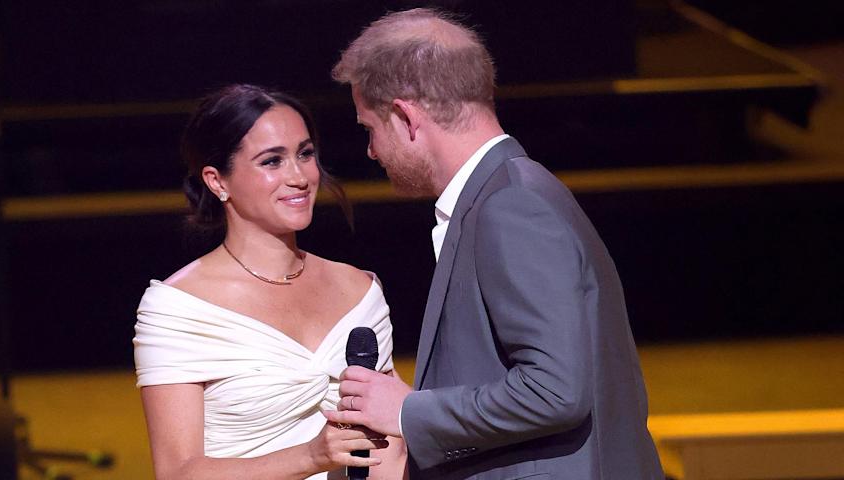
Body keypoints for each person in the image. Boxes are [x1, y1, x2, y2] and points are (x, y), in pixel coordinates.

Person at [324, 8, 665, 479]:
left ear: (405, 117)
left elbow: (555, 390)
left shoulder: (511, 206)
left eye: (369, 129)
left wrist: (408, 411)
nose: (371, 150)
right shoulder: (510, 192)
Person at [133, 84, 407, 480]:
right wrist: (311, 457)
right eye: (272, 161)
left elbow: (389, 454)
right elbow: (177, 472)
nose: (299, 177)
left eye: (305, 154)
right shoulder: (177, 307)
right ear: (217, 181)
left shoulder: (359, 290)